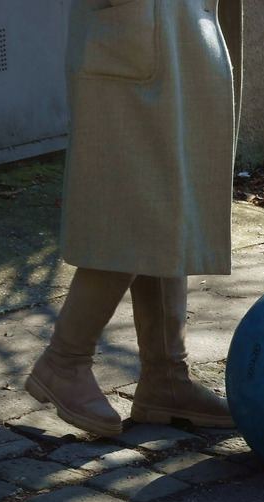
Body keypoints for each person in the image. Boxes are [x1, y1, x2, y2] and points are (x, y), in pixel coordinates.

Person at [26, 0, 244, 437]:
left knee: (173, 194)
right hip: (136, 21)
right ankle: (64, 360)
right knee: (133, 197)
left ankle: (166, 377)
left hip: (179, 22)